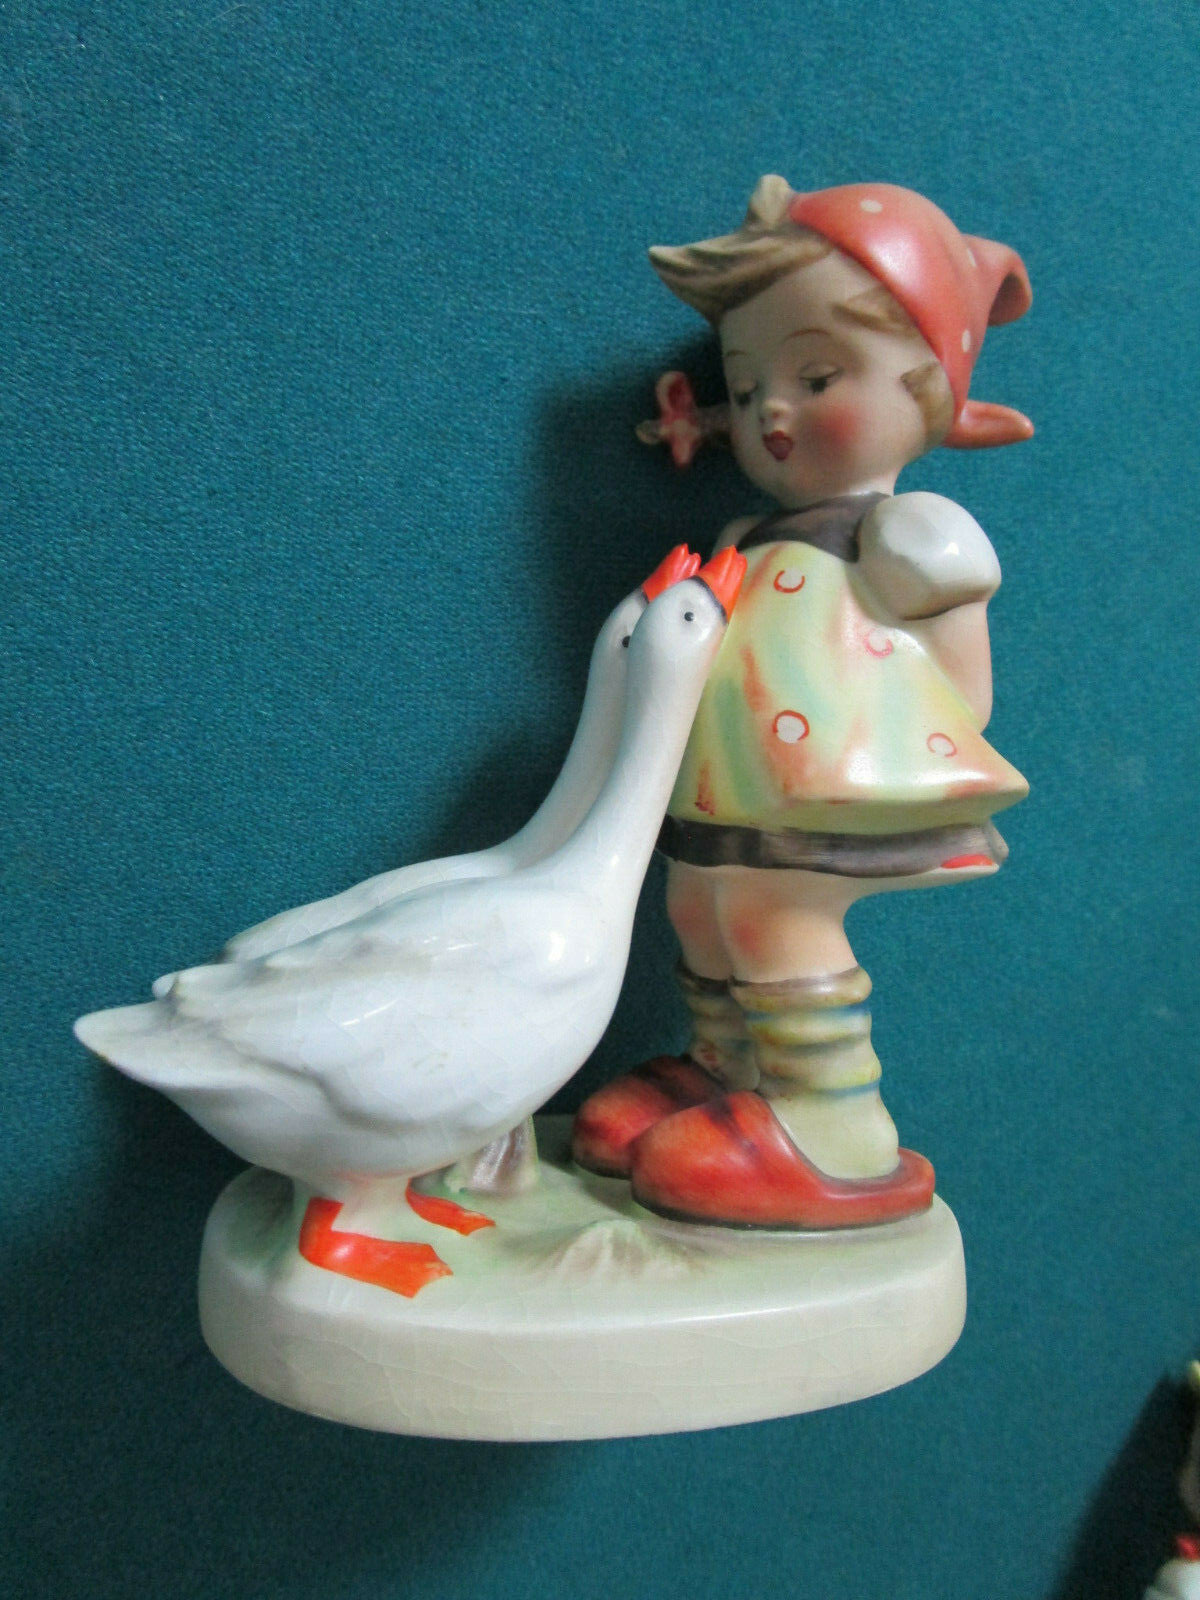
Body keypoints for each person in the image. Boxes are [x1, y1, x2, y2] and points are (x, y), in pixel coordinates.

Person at [572, 176, 1032, 1228]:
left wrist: (941, 626)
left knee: (776, 918)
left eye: (817, 374)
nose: (771, 410)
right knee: (699, 909)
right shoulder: (748, 538)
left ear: (928, 387)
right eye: (746, 387)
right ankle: (727, 1072)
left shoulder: (909, 532)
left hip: (825, 782)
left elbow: (966, 689)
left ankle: (834, 1122)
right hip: (723, 785)